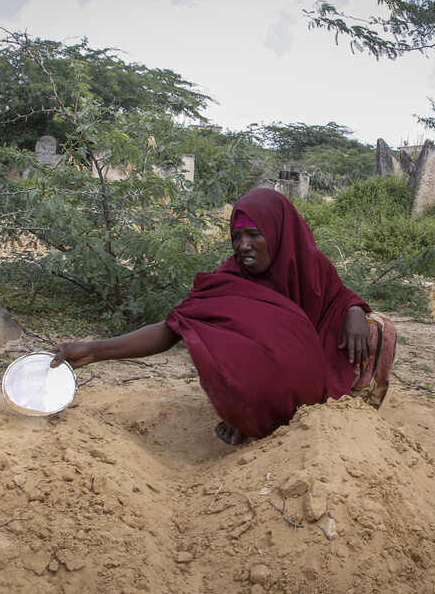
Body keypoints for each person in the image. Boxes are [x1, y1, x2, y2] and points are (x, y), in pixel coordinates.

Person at [50, 188, 396, 444]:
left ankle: (351, 423)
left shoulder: (310, 264)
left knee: (379, 329)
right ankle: (252, 416)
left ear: (278, 233)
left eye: (254, 235)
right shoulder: (229, 279)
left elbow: (338, 295)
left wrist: (353, 309)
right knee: (235, 345)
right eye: (236, 236)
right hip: (281, 381)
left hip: (319, 362)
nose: (243, 245)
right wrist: (95, 350)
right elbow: (173, 327)